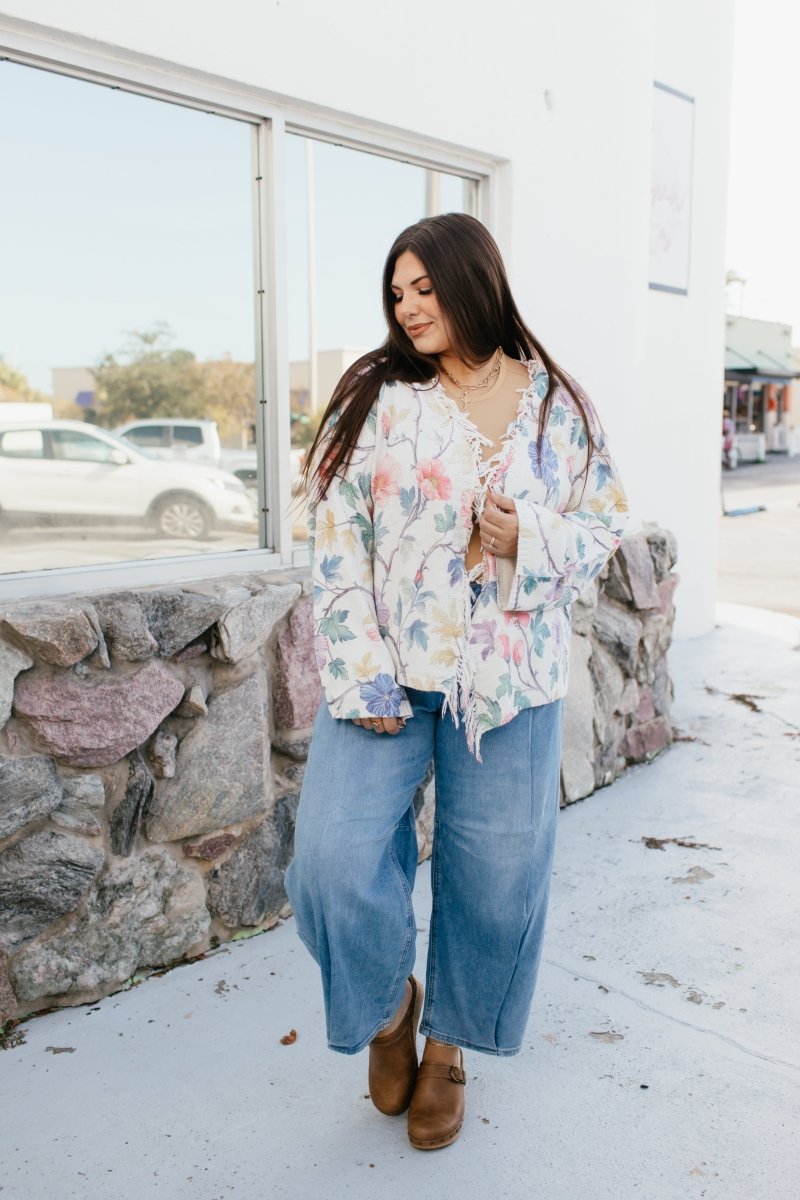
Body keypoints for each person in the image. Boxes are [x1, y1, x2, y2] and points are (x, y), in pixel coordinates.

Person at [284, 213, 629, 1151]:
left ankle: (447, 1049)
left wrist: (531, 538)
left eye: (424, 287)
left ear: (473, 279)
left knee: (497, 882)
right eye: (398, 293)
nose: (408, 306)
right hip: (384, 680)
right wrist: (359, 673)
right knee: (329, 867)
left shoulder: (558, 404)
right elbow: (333, 535)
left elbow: (601, 525)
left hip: (510, 687)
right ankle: (392, 1007)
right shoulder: (374, 392)